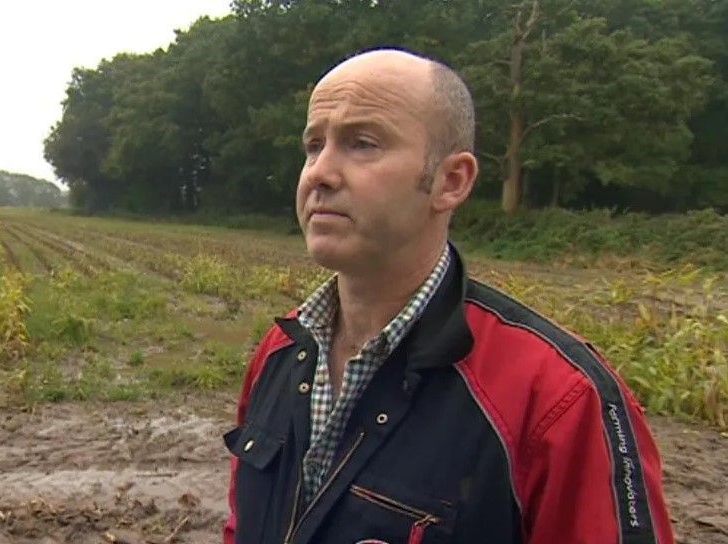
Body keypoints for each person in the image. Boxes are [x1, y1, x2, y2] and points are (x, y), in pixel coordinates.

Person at [222, 48, 674, 544]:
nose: (319, 174)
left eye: (363, 144)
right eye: (313, 146)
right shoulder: (279, 353)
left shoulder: (558, 398)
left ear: (450, 181)